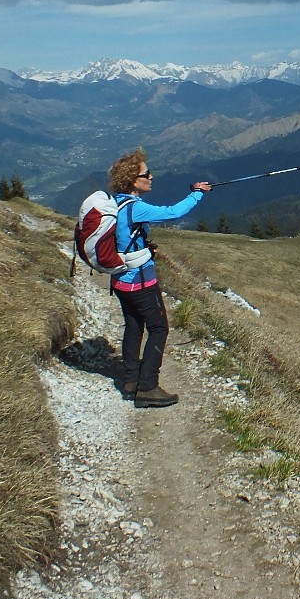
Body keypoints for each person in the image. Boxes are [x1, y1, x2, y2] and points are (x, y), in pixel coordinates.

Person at [106, 148, 212, 408]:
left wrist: (143, 247)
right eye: (146, 174)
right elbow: (173, 212)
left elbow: (123, 240)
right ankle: (148, 387)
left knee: (133, 326)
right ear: (134, 180)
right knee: (159, 327)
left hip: (120, 280)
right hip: (140, 280)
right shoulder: (135, 208)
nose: (151, 177)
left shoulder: (115, 203)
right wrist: (197, 193)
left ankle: (131, 381)